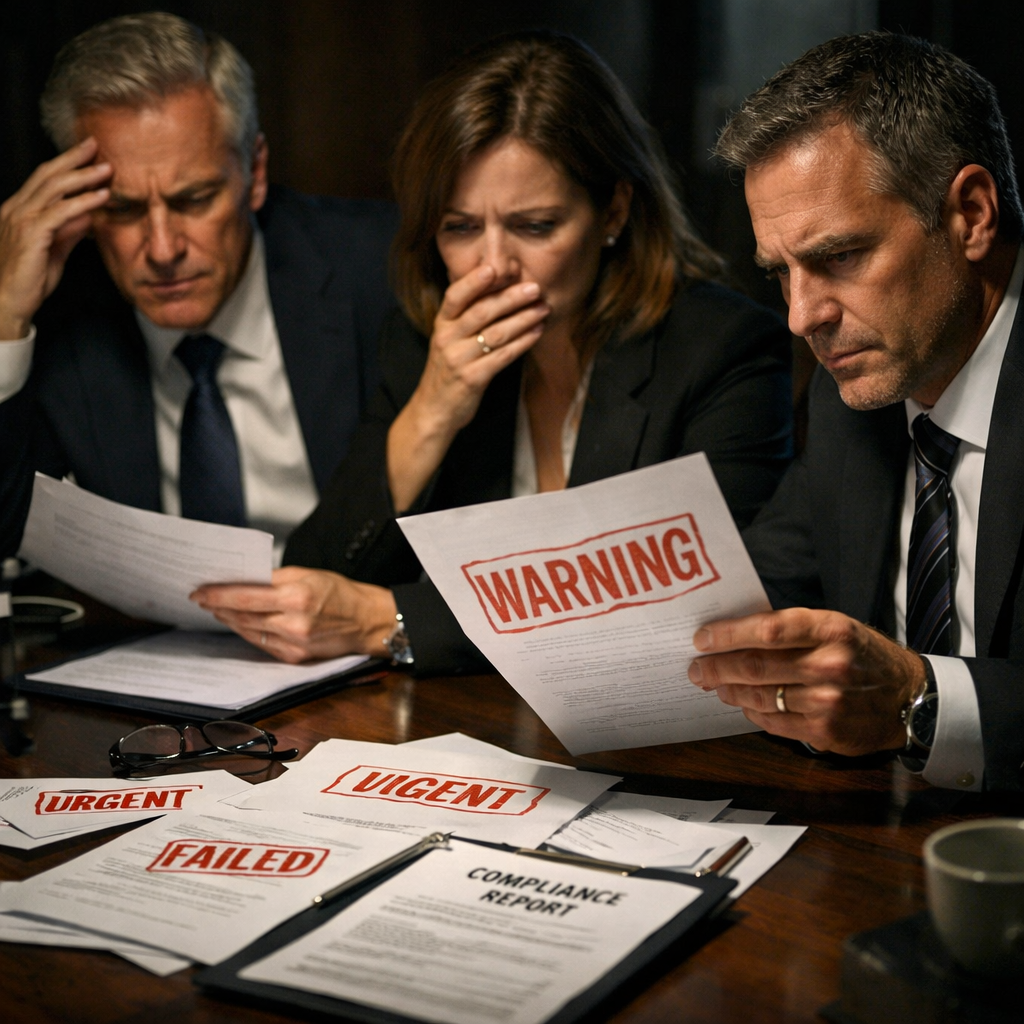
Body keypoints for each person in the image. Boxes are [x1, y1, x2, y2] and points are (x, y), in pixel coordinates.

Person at [192, 32, 793, 674]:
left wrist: (389, 619)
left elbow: (670, 614)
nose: (494, 266)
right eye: (460, 228)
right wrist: (433, 408)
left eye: (535, 227)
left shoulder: (722, 351)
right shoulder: (425, 337)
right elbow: (315, 591)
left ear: (614, 211)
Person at [691, 31, 1024, 792]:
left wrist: (918, 701)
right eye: (781, 273)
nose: (803, 318)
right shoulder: (865, 382)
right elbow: (764, 583)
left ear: (971, 214)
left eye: (840, 256)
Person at [0, 13, 396, 561]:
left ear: (254, 172)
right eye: (123, 208)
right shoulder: (63, 316)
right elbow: (6, 528)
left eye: (194, 200)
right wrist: (5, 319)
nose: (163, 250)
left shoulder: (379, 271)